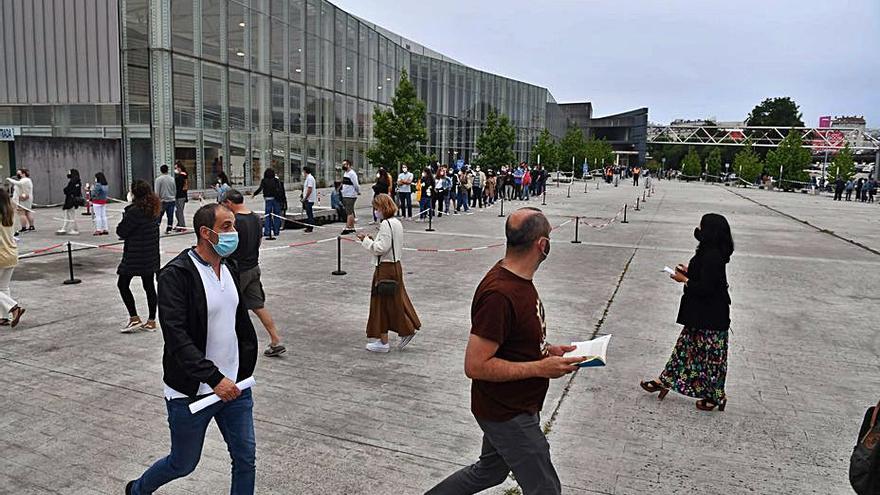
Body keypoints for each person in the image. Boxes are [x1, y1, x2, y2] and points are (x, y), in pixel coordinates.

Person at [427, 207, 585, 495]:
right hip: (507, 411)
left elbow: (512, 340)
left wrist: (547, 350)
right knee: (545, 489)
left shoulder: (518, 281)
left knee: (489, 472)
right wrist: (540, 368)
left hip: (513, 405)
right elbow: (475, 365)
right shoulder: (500, 294)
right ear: (543, 245)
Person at [126, 203, 258, 495]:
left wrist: (242, 368)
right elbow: (176, 337)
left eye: (234, 225)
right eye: (226, 227)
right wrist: (213, 378)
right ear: (205, 233)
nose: (234, 233)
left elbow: (237, 321)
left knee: (245, 458)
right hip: (191, 392)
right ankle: (137, 490)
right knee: (183, 463)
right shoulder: (176, 274)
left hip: (235, 385)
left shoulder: (230, 267)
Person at [640, 213, 734, 412]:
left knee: (712, 360)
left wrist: (684, 280)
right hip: (699, 315)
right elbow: (704, 278)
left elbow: (706, 289)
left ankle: (717, 396)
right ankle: (663, 380)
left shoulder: (713, 256)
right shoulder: (707, 251)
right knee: (683, 351)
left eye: (701, 226)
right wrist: (688, 272)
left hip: (712, 317)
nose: (697, 229)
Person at [223, 189, 286, 357]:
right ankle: (276, 340)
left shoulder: (235, 221)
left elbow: (228, 247)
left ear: (229, 203)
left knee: (227, 308)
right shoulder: (256, 218)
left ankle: (227, 346)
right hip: (253, 268)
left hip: (238, 270)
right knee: (258, 306)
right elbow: (259, 242)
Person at [356, 194, 420, 353]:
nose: (375, 211)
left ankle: (385, 340)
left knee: (381, 303)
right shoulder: (396, 223)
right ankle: (404, 329)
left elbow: (380, 248)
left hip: (385, 268)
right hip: (395, 265)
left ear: (382, 208)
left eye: (376, 208)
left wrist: (366, 241)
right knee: (396, 301)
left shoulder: (386, 224)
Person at [117, 180, 161, 333]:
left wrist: (126, 213)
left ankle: (134, 317)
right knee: (149, 287)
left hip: (135, 255)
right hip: (150, 254)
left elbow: (121, 231)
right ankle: (151, 320)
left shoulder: (134, 211)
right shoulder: (154, 209)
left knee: (122, 284)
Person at [0, 189, 25, 328]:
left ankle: (14, 308)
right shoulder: (9, 215)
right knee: (3, 287)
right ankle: (3, 317)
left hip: (1, 254)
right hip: (12, 253)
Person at [252, 168, 282, 240]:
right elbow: (280, 189)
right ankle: (276, 231)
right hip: (276, 199)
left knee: (267, 216)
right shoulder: (276, 180)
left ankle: (267, 231)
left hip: (268, 199)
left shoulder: (264, 180)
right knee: (276, 215)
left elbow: (260, 188)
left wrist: (254, 194)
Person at [7, 169, 34, 233]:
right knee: (27, 212)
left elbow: (18, 183)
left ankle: (24, 227)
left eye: (19, 173)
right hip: (25, 198)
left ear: (23, 174)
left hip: (23, 199)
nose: (17, 175)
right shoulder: (26, 180)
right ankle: (31, 226)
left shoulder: (25, 180)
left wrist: (9, 179)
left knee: (22, 213)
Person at [57, 168, 83, 235]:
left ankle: (75, 229)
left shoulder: (74, 182)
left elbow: (69, 190)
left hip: (71, 201)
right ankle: (64, 228)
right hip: (71, 200)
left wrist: (66, 190)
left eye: (69, 173)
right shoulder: (77, 182)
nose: (68, 174)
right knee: (67, 216)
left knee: (71, 216)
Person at [154, 164, 177, 234]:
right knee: (170, 215)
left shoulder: (158, 179)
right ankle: (169, 228)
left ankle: (156, 228)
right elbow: (174, 189)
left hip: (162, 201)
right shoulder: (172, 179)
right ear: (167, 170)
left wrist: (157, 199)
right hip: (171, 200)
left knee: (159, 215)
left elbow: (157, 191)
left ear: (161, 170)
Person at [340, 159, 360, 234]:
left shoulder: (352, 174)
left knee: (349, 212)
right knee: (349, 211)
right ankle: (352, 227)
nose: (343, 166)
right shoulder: (346, 173)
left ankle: (347, 227)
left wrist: (357, 191)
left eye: (344, 164)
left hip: (350, 195)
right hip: (345, 194)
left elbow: (356, 184)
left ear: (349, 165)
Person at [173, 161, 189, 231]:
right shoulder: (180, 176)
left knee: (179, 211)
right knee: (177, 212)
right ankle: (179, 224)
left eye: (176, 168)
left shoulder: (182, 176)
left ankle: (182, 226)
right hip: (178, 195)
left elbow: (183, 187)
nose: (175, 170)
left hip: (180, 196)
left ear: (179, 168)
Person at [301, 166, 317, 233]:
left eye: (303, 171)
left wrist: (305, 198)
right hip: (308, 199)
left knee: (309, 213)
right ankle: (309, 226)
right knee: (308, 213)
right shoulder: (308, 178)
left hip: (309, 199)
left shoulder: (310, 178)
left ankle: (310, 226)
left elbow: (309, 189)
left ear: (305, 171)